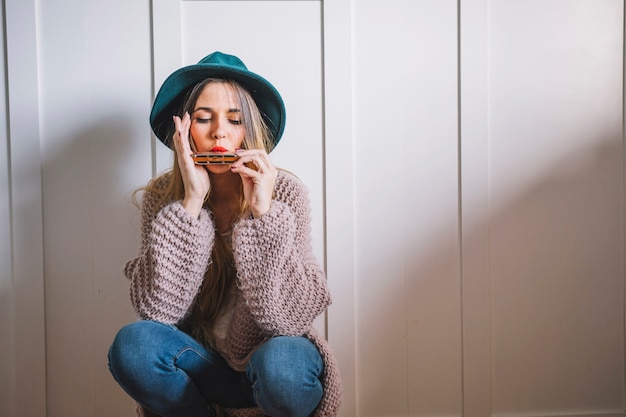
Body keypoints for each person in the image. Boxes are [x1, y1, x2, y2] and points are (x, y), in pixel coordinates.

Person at [108, 51, 341, 417]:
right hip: (202, 368)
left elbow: (288, 321)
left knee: (282, 365)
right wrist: (191, 202)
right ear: (183, 131)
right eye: (204, 118)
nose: (219, 132)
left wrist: (264, 214)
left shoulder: (285, 194)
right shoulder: (163, 199)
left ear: (250, 130)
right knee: (133, 346)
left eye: (234, 120)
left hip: (270, 365)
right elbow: (157, 311)